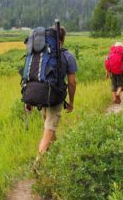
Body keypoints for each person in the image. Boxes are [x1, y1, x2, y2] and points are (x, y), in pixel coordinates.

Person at [27, 27, 77, 155]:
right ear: (63, 39)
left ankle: (55, 155)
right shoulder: (68, 56)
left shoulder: (40, 54)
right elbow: (72, 82)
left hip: (37, 95)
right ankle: (37, 163)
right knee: (49, 129)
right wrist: (71, 102)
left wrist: (28, 101)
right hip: (54, 97)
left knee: (49, 128)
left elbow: (31, 74)